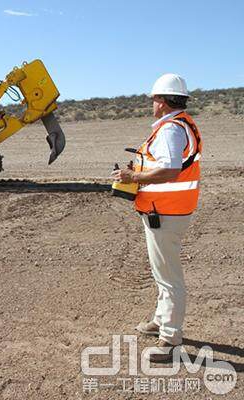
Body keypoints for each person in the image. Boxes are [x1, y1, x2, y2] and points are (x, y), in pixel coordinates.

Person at [111, 73, 202, 362]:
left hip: (166, 212)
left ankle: (171, 337)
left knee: (169, 276)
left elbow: (171, 170)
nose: (152, 104)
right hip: (169, 209)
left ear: (161, 102)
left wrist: (133, 175)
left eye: (154, 99)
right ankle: (161, 320)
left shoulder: (170, 130)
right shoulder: (181, 125)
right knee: (162, 272)